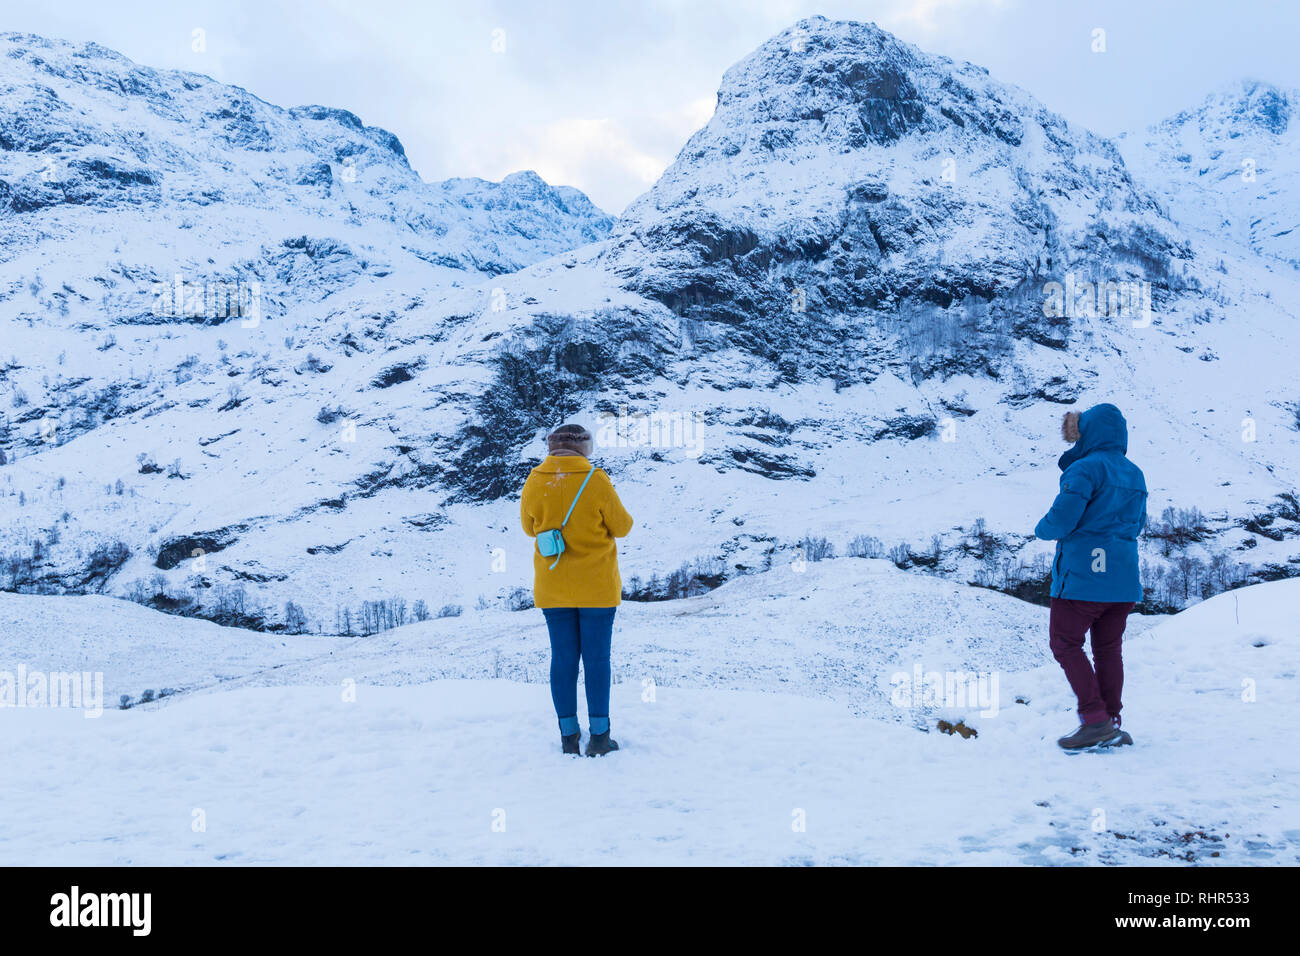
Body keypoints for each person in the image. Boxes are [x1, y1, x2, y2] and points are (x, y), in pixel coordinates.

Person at [1033, 403, 1148, 751]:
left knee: (1065, 643)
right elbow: (1138, 526)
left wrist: (1042, 528)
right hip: (1123, 580)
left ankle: (1095, 720)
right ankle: (1111, 721)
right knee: (1108, 649)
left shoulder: (1085, 469)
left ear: (1089, 432)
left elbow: (1062, 519)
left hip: (1084, 575)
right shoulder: (1135, 473)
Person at [520, 424, 634, 756]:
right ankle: (600, 737)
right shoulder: (595, 479)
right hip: (597, 588)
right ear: (584, 448)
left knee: (563, 659)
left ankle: (568, 736)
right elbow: (623, 527)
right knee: (597, 660)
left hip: (553, 586)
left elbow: (530, 528)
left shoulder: (535, 479)